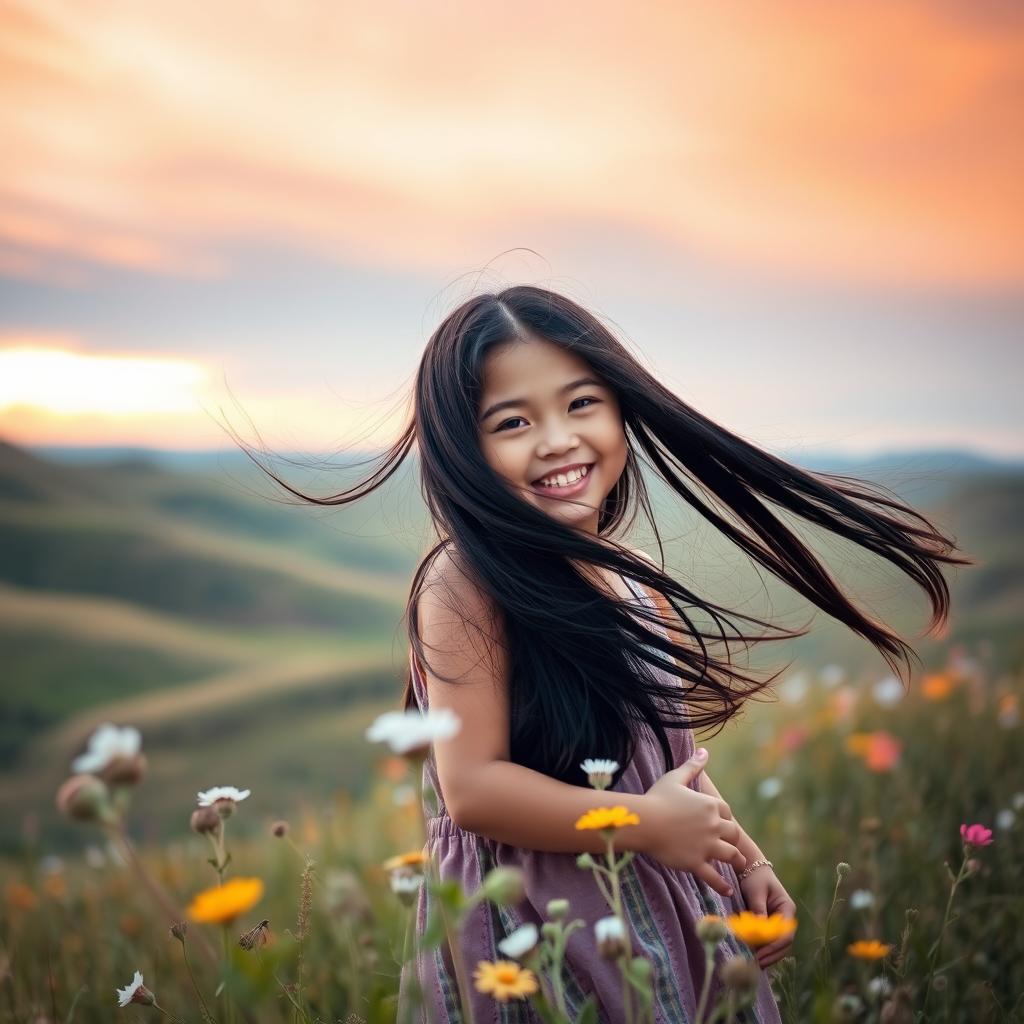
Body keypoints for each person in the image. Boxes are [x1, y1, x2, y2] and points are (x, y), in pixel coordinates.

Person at [233, 284, 970, 1023]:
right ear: (464, 448)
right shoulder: (465, 585)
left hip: (663, 906)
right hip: (535, 938)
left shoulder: (627, 579)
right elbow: (474, 790)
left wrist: (748, 861)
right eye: (513, 421)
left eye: (581, 403)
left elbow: (671, 769)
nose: (558, 439)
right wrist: (645, 826)